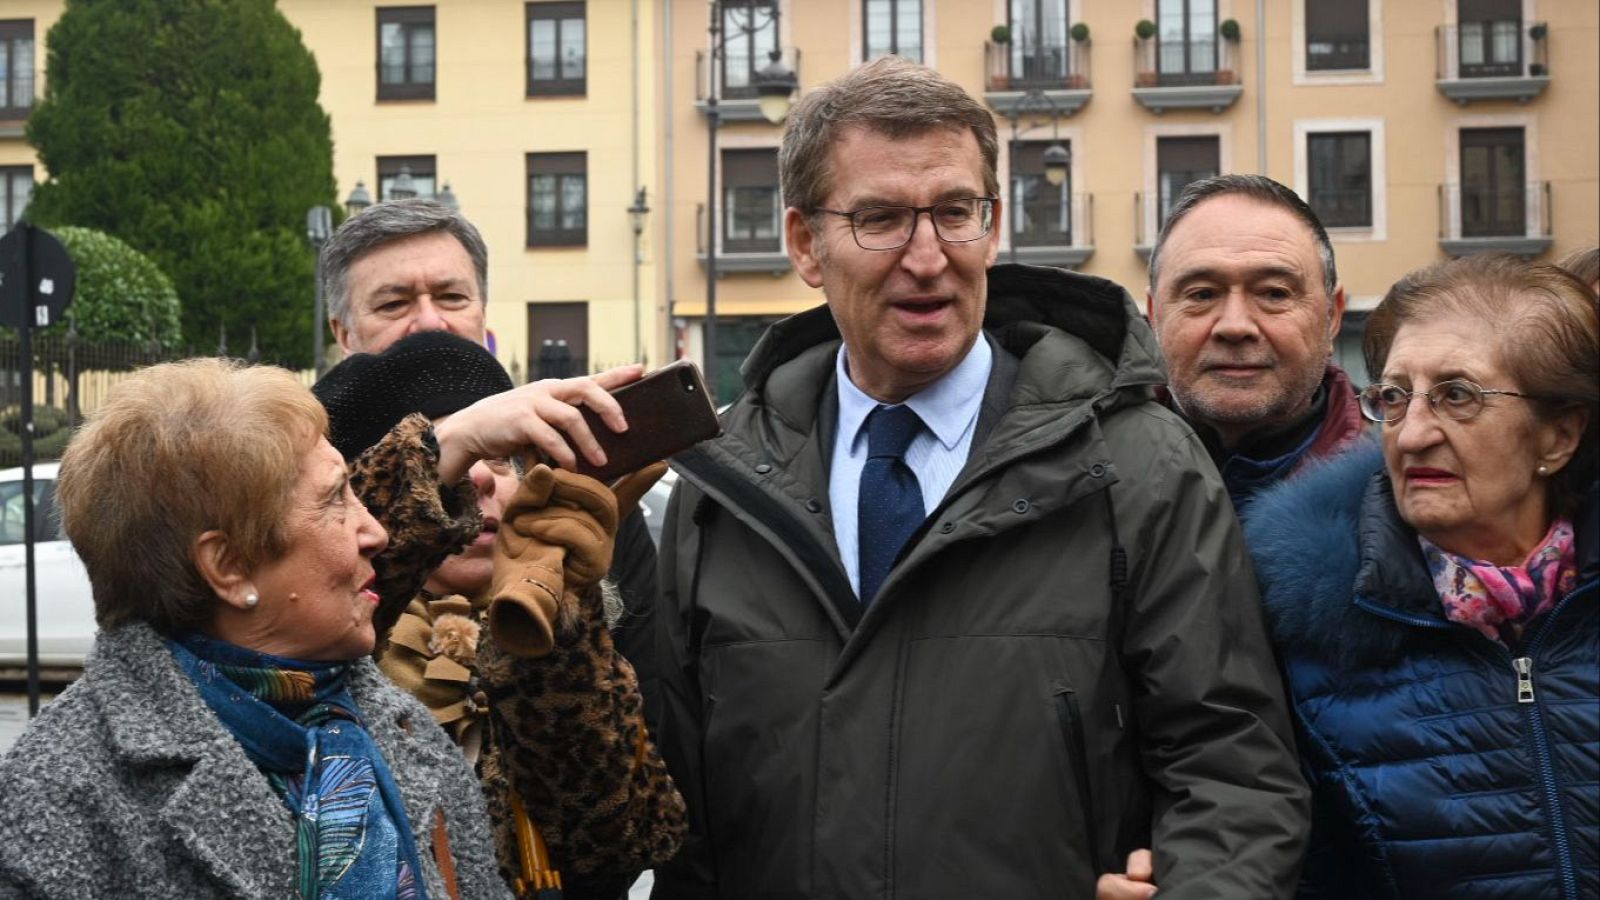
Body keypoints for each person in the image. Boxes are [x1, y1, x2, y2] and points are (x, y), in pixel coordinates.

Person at [652, 56, 1308, 899]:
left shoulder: (1138, 461)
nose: (927, 259)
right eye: (881, 218)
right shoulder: (721, 489)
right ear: (805, 245)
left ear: (992, 228)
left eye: (956, 213)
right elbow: (680, 821)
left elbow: (1233, 770)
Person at [0, 359, 509, 898]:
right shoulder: (59, 790)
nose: (376, 531)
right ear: (228, 565)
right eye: (336, 499)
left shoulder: (406, 732)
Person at [1250, 254, 1597, 895]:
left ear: (1559, 436)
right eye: (1393, 396)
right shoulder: (1300, 623)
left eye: (1457, 396)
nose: (1411, 436)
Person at [313, 331, 686, 899]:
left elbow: (621, 846)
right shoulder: (323, 637)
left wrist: (549, 633)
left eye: (502, 456)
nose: (484, 476)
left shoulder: (579, 623)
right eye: (454, 454)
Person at [318, 198, 664, 726]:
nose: (430, 323)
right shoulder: (308, 475)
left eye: (452, 297)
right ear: (343, 334)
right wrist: (436, 455)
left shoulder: (574, 480)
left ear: (482, 310)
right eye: (394, 304)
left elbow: (655, 710)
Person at [1147, 174, 1368, 511]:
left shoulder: (1414, 491)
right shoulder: (1070, 485)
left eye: (1274, 293)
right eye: (1202, 294)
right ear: (1154, 315)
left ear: (1332, 316)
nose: (1235, 326)